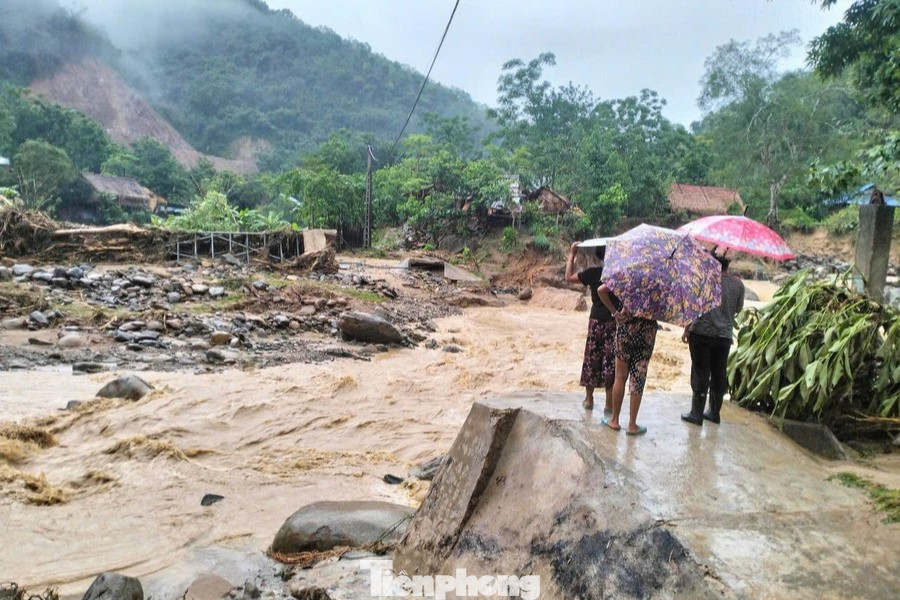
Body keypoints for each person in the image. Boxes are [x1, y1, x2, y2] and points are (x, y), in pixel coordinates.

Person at [680, 254, 745, 425]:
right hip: (724, 337)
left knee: (700, 372)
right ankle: (714, 413)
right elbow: (738, 309)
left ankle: (696, 414)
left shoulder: (704, 280)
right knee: (719, 373)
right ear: (727, 264)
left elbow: (693, 307)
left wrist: (686, 330)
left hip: (701, 334)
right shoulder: (738, 284)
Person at [565, 241, 619, 413]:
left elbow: (568, 278)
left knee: (591, 358)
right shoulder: (617, 274)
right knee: (610, 362)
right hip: (613, 321)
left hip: (595, 321)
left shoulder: (593, 273)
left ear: (597, 255)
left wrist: (572, 254)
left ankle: (589, 400)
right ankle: (609, 404)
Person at [597, 285, 657, 436]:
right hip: (647, 332)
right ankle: (632, 424)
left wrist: (614, 312)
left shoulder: (627, 276)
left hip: (626, 328)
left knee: (620, 377)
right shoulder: (659, 281)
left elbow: (601, 290)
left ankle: (614, 420)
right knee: (638, 378)